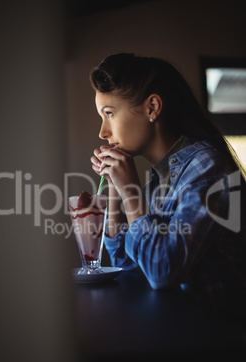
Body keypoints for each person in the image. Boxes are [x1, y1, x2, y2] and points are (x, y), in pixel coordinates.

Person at [90, 53, 246, 314]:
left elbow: (161, 272)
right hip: (177, 326)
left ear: (152, 108)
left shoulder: (206, 168)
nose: (103, 132)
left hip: (222, 336)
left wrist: (131, 193)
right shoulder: (156, 182)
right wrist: (117, 194)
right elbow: (130, 267)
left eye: (109, 114)